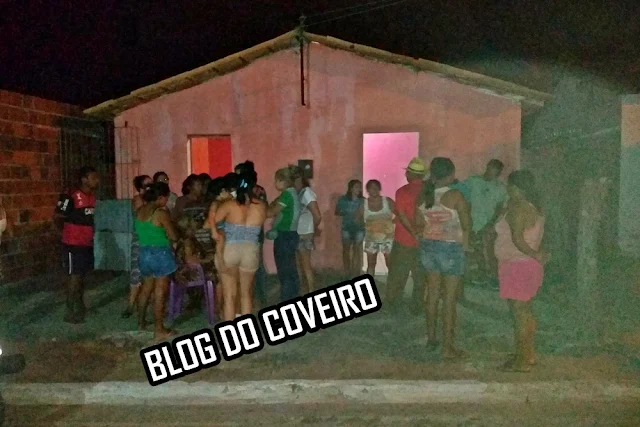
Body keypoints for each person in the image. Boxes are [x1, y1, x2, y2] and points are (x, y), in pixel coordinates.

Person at [415, 157, 471, 359]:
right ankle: (448, 347)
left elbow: (418, 224)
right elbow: (466, 224)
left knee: (431, 294)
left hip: (429, 247)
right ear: (450, 175)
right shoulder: (455, 195)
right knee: (449, 298)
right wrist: (466, 246)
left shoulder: (424, 196)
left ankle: (431, 339)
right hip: (450, 248)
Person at [495, 170, 548, 372]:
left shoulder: (518, 208)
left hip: (518, 265)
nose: (507, 189)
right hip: (524, 265)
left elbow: (517, 239)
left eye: (509, 186)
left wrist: (535, 254)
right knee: (525, 312)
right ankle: (527, 354)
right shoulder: (532, 207)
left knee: (519, 315)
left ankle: (522, 360)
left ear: (516, 187)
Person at [214, 173, 267, 320]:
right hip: (250, 250)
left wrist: (217, 204)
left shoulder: (229, 205)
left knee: (229, 296)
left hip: (230, 249)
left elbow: (212, 222)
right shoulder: (261, 206)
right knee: (246, 294)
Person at [54, 166, 99, 324]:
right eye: (93, 178)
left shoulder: (92, 196)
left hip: (86, 242)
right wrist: (66, 234)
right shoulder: (71, 195)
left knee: (81, 275)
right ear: (84, 179)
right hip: (73, 242)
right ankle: (69, 310)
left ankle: (79, 305)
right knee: (74, 276)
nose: (97, 181)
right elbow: (58, 216)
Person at [135, 182, 178, 340]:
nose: (167, 201)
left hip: (144, 253)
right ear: (160, 198)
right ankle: (159, 329)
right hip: (160, 253)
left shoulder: (140, 211)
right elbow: (173, 236)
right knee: (160, 292)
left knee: (145, 289)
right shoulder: (160, 213)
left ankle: (141, 322)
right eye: (166, 198)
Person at [386, 157, 428, 313]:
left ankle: (393, 304)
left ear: (410, 174)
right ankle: (417, 306)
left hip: (403, 239)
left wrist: (413, 232)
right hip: (425, 240)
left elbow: (402, 216)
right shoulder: (429, 191)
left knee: (397, 275)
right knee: (420, 277)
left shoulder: (402, 191)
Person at [463, 160, 508, 287]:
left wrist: (491, 223)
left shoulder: (500, 188)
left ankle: (493, 278)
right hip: (472, 223)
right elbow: (464, 199)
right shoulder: (473, 181)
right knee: (475, 251)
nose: (492, 173)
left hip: (489, 225)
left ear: (499, 173)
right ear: (487, 167)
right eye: (491, 169)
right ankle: (480, 276)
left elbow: (500, 207)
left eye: (496, 171)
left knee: (490, 252)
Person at [235, 161, 268, 306]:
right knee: (257, 263)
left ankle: (252, 295)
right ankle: (260, 296)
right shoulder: (260, 190)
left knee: (250, 264)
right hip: (257, 231)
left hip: (246, 231)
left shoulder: (242, 191)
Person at [267, 165, 301, 302]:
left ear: (283, 181)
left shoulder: (287, 195)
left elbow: (271, 212)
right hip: (291, 234)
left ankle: (286, 299)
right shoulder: (292, 193)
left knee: (284, 270)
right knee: (291, 268)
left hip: (285, 235)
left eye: (276, 180)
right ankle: (293, 296)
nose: (275, 183)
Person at [123, 174, 152, 318]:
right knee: (136, 273)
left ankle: (144, 306)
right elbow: (143, 214)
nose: (151, 188)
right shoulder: (138, 200)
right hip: (140, 240)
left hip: (151, 240)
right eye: (148, 185)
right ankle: (130, 305)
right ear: (141, 188)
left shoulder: (150, 200)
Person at [359, 180, 395, 277]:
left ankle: (393, 284)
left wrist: (390, 225)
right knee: (371, 264)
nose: (374, 189)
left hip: (388, 238)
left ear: (379, 189)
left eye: (376, 187)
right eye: (371, 188)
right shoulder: (364, 204)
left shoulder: (387, 201)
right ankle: (369, 283)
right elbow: (358, 219)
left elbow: (400, 214)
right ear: (367, 190)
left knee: (390, 263)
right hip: (371, 238)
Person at [294, 172, 322, 293]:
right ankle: (302, 287)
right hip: (296, 232)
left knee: (305, 264)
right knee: (299, 263)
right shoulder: (296, 193)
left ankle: (311, 289)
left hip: (304, 233)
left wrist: (312, 228)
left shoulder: (307, 193)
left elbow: (317, 215)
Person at [174, 215, 216, 285]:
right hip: (194, 274)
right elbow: (190, 260)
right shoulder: (187, 243)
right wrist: (207, 259)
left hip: (192, 271)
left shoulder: (185, 241)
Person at [335, 180, 365, 277]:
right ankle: (347, 271)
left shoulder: (363, 200)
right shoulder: (343, 199)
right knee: (346, 250)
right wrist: (347, 212)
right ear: (351, 188)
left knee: (357, 250)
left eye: (360, 187)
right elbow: (337, 211)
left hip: (359, 228)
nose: (359, 189)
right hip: (347, 227)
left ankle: (355, 273)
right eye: (356, 187)